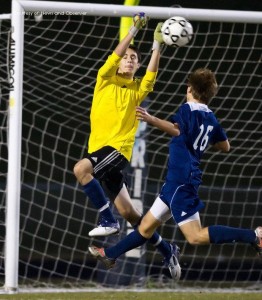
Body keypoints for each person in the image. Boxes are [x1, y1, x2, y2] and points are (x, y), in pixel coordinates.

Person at [88, 68, 262, 272]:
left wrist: (151, 119)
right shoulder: (211, 118)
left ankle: (254, 236)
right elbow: (225, 146)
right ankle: (110, 255)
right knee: (145, 227)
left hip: (182, 182)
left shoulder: (187, 110)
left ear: (189, 88)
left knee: (195, 236)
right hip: (176, 182)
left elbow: (176, 129)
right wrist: (202, 141)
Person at [73, 13, 181, 279]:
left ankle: (107, 220)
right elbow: (116, 53)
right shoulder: (104, 79)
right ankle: (168, 250)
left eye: (135, 58)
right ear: (118, 62)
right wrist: (133, 30)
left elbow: (151, 77)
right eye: (127, 57)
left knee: (80, 170)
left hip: (117, 151)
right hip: (98, 150)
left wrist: (157, 46)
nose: (130, 59)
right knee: (131, 214)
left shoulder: (136, 91)